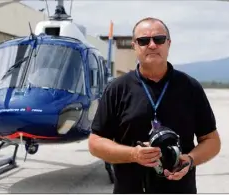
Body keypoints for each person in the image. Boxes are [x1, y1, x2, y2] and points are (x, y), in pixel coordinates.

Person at [88, 17, 221, 194]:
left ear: (168, 43)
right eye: (143, 41)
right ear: (134, 46)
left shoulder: (190, 87)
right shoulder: (117, 89)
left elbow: (212, 141)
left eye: (158, 39)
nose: (152, 45)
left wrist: (190, 159)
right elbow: (95, 142)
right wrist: (133, 154)